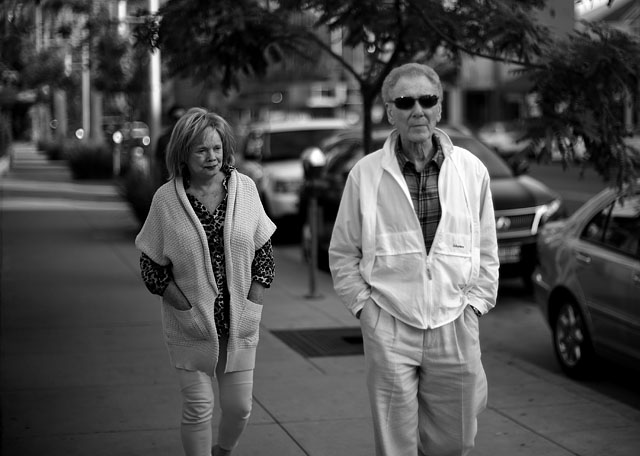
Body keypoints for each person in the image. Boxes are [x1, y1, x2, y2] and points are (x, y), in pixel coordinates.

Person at [329, 63, 499, 456]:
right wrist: (365, 310)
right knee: (395, 444)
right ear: (390, 111)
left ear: (440, 108)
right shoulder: (365, 175)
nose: (417, 110)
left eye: (427, 100)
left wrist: (474, 308)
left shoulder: (471, 172)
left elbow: (488, 250)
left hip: (454, 321)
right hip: (389, 322)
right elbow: (342, 253)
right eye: (405, 102)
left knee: (456, 440)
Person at [135, 107, 276, 456]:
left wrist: (254, 300)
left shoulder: (245, 189)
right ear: (183, 154)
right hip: (190, 326)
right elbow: (151, 265)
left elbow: (264, 251)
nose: (212, 156)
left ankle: (224, 450)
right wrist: (181, 303)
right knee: (198, 408)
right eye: (201, 150)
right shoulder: (166, 200)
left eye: (216, 148)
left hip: (239, 324)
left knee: (240, 406)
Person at [154, 105, 186, 183]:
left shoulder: (190, 138)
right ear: (170, 119)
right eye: (176, 118)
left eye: (183, 118)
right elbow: (157, 165)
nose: (179, 121)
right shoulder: (163, 139)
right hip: (168, 180)